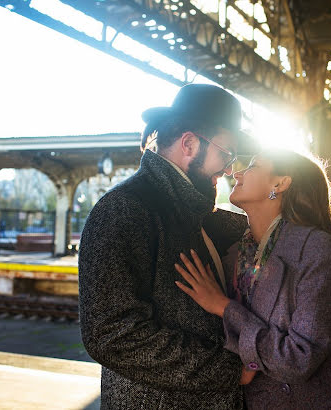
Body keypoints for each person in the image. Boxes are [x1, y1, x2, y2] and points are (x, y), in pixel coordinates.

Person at [79, 84, 258, 409]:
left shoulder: (193, 213)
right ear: (189, 144)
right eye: (226, 153)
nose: (229, 168)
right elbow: (111, 335)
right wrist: (228, 369)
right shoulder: (123, 210)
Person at [174, 149, 331, 409]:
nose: (237, 172)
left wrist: (223, 306)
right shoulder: (235, 254)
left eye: (253, 165)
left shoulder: (315, 248)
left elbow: (298, 359)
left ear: (280, 183)